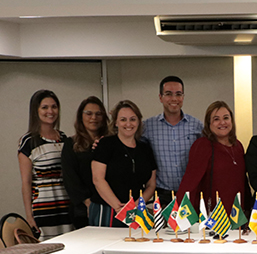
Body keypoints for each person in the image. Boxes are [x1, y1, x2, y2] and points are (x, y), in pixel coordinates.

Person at [176, 101, 249, 217]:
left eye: (226, 118)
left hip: (237, 214)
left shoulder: (238, 146)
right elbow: (190, 182)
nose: (222, 122)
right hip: (213, 215)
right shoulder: (202, 145)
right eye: (216, 119)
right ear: (208, 123)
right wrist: (180, 214)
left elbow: (242, 181)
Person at [90, 100, 157, 227]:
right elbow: (98, 179)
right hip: (108, 208)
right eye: (123, 119)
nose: (128, 124)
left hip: (136, 210)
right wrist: (118, 207)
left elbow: (151, 184)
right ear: (116, 122)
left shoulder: (145, 149)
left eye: (132, 119)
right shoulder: (105, 144)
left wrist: (136, 205)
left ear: (138, 121)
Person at [17, 89, 72, 238]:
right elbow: (26, 182)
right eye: (44, 107)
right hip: (43, 208)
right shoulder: (28, 141)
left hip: (67, 206)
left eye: (54, 107)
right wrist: (29, 216)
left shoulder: (63, 138)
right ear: (36, 111)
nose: (50, 111)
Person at [141, 76, 203, 207]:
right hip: (162, 196)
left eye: (178, 94)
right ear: (160, 97)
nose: (174, 99)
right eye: (168, 94)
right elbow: (127, 141)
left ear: (183, 97)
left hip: (191, 194)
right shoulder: (148, 127)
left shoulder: (196, 126)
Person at [61, 96, 109, 229]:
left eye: (98, 114)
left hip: (109, 206)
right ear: (80, 116)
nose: (94, 118)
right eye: (89, 113)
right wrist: (88, 203)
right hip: (83, 209)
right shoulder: (71, 144)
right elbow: (70, 178)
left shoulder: (110, 142)